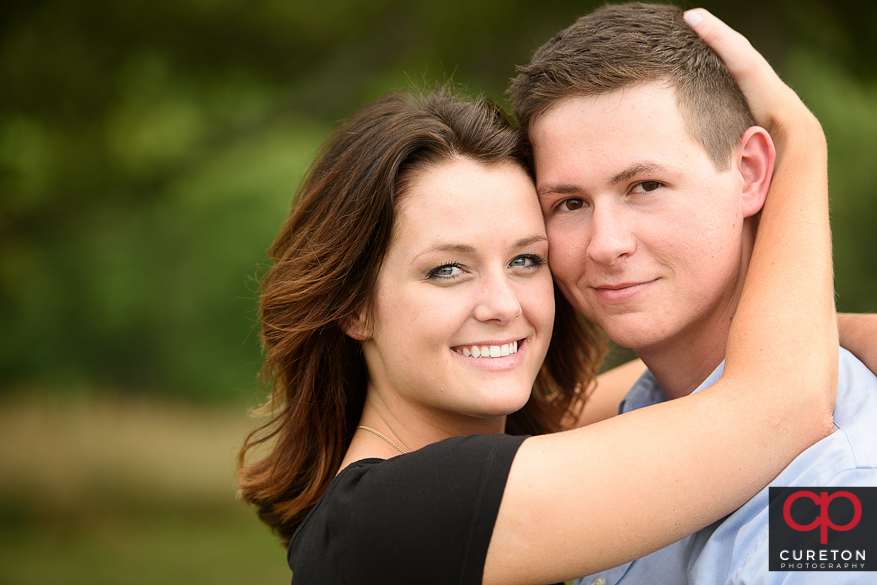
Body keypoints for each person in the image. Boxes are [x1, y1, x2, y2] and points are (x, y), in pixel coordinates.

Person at [237, 10, 840, 584]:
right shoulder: (394, 516)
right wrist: (802, 143)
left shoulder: (536, 439)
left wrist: (848, 333)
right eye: (447, 270)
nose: (503, 305)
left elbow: (651, 388)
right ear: (354, 305)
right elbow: (778, 405)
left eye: (526, 260)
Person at [508, 4, 877, 584]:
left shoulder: (835, 488)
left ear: (752, 170)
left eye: (645, 186)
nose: (605, 245)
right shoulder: (635, 415)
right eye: (570, 203)